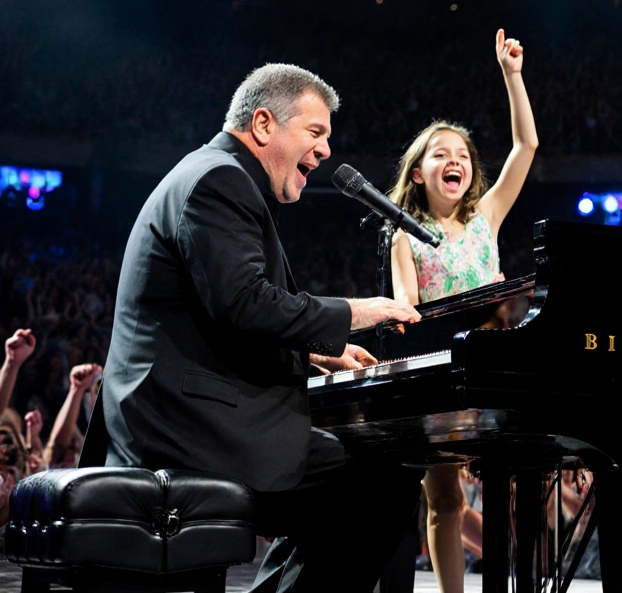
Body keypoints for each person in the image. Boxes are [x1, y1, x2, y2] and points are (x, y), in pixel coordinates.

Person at [78, 63, 425, 593]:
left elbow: (215, 314)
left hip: (172, 418)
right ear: (264, 125)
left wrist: (317, 356)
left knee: (349, 476)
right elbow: (244, 302)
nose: (327, 150)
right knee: (384, 481)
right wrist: (360, 310)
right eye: (316, 133)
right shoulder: (221, 180)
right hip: (185, 432)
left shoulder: (210, 172)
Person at [387, 29, 539, 593]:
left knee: (511, 483)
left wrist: (512, 77)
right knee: (445, 496)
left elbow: (525, 148)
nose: (455, 162)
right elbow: (405, 303)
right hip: (440, 370)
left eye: (463, 157)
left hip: (494, 367)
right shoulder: (405, 230)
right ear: (419, 172)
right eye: (440, 155)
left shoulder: (487, 219)